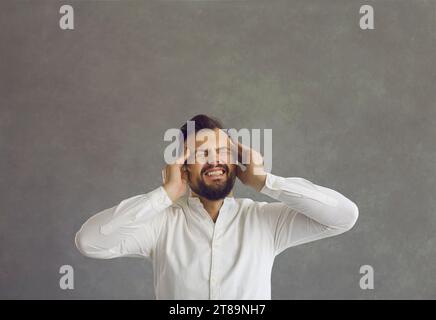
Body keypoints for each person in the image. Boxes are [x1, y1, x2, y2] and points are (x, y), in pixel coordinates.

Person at [75, 114, 359, 299]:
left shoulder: (264, 222)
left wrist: (265, 181)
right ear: (183, 166)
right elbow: (90, 242)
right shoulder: (161, 224)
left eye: (223, 151)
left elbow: (343, 216)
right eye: (200, 152)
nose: (214, 159)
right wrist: (165, 194)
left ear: (236, 161)